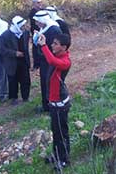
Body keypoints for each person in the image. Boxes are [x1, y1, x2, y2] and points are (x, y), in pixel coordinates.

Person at [37, 33, 71, 170]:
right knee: (55, 132)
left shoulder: (65, 61)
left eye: (55, 44)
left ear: (63, 47)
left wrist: (43, 45)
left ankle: (64, 159)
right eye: (52, 43)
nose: (52, 45)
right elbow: (48, 58)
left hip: (60, 105)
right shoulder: (57, 55)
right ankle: (57, 155)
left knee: (62, 133)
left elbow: (51, 61)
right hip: (54, 103)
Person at [33, 10, 62, 112]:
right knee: (44, 83)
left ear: (43, 20)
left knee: (50, 83)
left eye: (37, 21)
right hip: (44, 61)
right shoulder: (43, 28)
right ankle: (46, 105)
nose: (36, 23)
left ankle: (52, 106)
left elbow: (57, 48)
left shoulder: (54, 29)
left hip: (51, 61)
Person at [0, 16, 31, 105]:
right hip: (11, 62)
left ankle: (26, 97)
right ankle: (14, 98)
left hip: (23, 60)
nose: (24, 27)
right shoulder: (5, 35)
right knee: (13, 80)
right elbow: (2, 49)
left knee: (25, 80)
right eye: (22, 26)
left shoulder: (25, 33)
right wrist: (14, 53)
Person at [29, 0, 43, 70]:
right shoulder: (32, 12)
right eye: (38, 3)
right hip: (36, 31)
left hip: (42, 30)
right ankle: (36, 64)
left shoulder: (42, 10)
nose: (40, 4)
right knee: (35, 47)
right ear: (34, 4)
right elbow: (33, 24)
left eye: (40, 2)